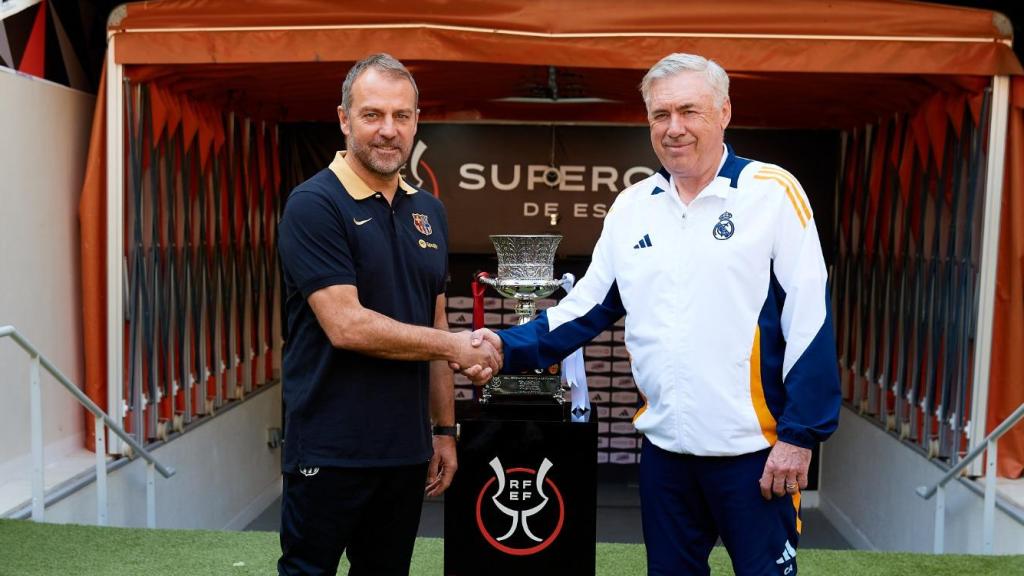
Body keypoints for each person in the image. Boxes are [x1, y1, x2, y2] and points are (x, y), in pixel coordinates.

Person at [458, 53, 840, 576]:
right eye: (661, 115)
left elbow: (810, 320)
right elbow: (585, 307)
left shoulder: (772, 193)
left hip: (756, 453)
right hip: (665, 452)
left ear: (724, 112)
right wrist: (506, 347)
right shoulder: (633, 206)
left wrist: (800, 435)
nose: (674, 128)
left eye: (690, 111)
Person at [276, 53, 501, 576]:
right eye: (372, 115)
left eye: (401, 116)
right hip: (329, 450)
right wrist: (456, 348)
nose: (387, 130)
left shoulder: (430, 211)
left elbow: (437, 321)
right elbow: (346, 325)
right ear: (343, 119)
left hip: (404, 452)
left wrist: (444, 430)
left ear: (417, 123)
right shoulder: (314, 204)